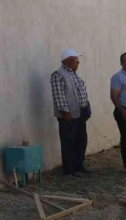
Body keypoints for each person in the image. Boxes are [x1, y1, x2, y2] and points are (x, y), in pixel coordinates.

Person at [51, 48, 92, 177]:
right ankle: (69, 170)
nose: (78, 62)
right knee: (68, 142)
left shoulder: (74, 74)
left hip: (80, 114)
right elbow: (59, 96)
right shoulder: (58, 74)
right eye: (76, 60)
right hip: (68, 116)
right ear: (67, 60)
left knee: (81, 140)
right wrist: (65, 113)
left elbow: (81, 92)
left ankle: (79, 166)